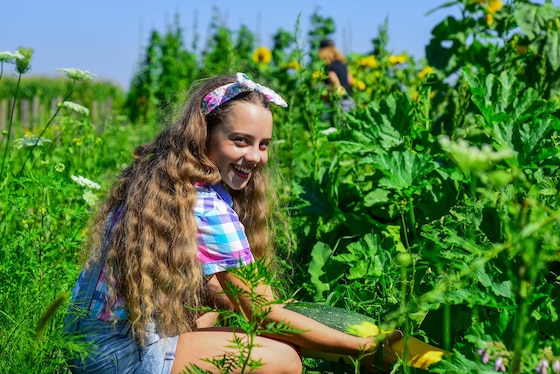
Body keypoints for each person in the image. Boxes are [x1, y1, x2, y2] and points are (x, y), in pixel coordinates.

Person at [63, 72, 401, 373]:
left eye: (263, 145)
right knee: (283, 359)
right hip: (121, 355)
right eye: (240, 141)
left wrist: (232, 306)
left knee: (220, 316)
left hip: (85, 344)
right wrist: (363, 347)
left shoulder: (162, 183)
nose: (254, 156)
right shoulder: (207, 206)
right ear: (204, 136)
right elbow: (263, 313)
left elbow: (216, 290)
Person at [318, 39, 356, 116]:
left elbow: (335, 84)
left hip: (340, 104)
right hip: (350, 101)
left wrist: (325, 95)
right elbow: (351, 82)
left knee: (339, 127)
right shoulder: (343, 64)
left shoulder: (330, 67)